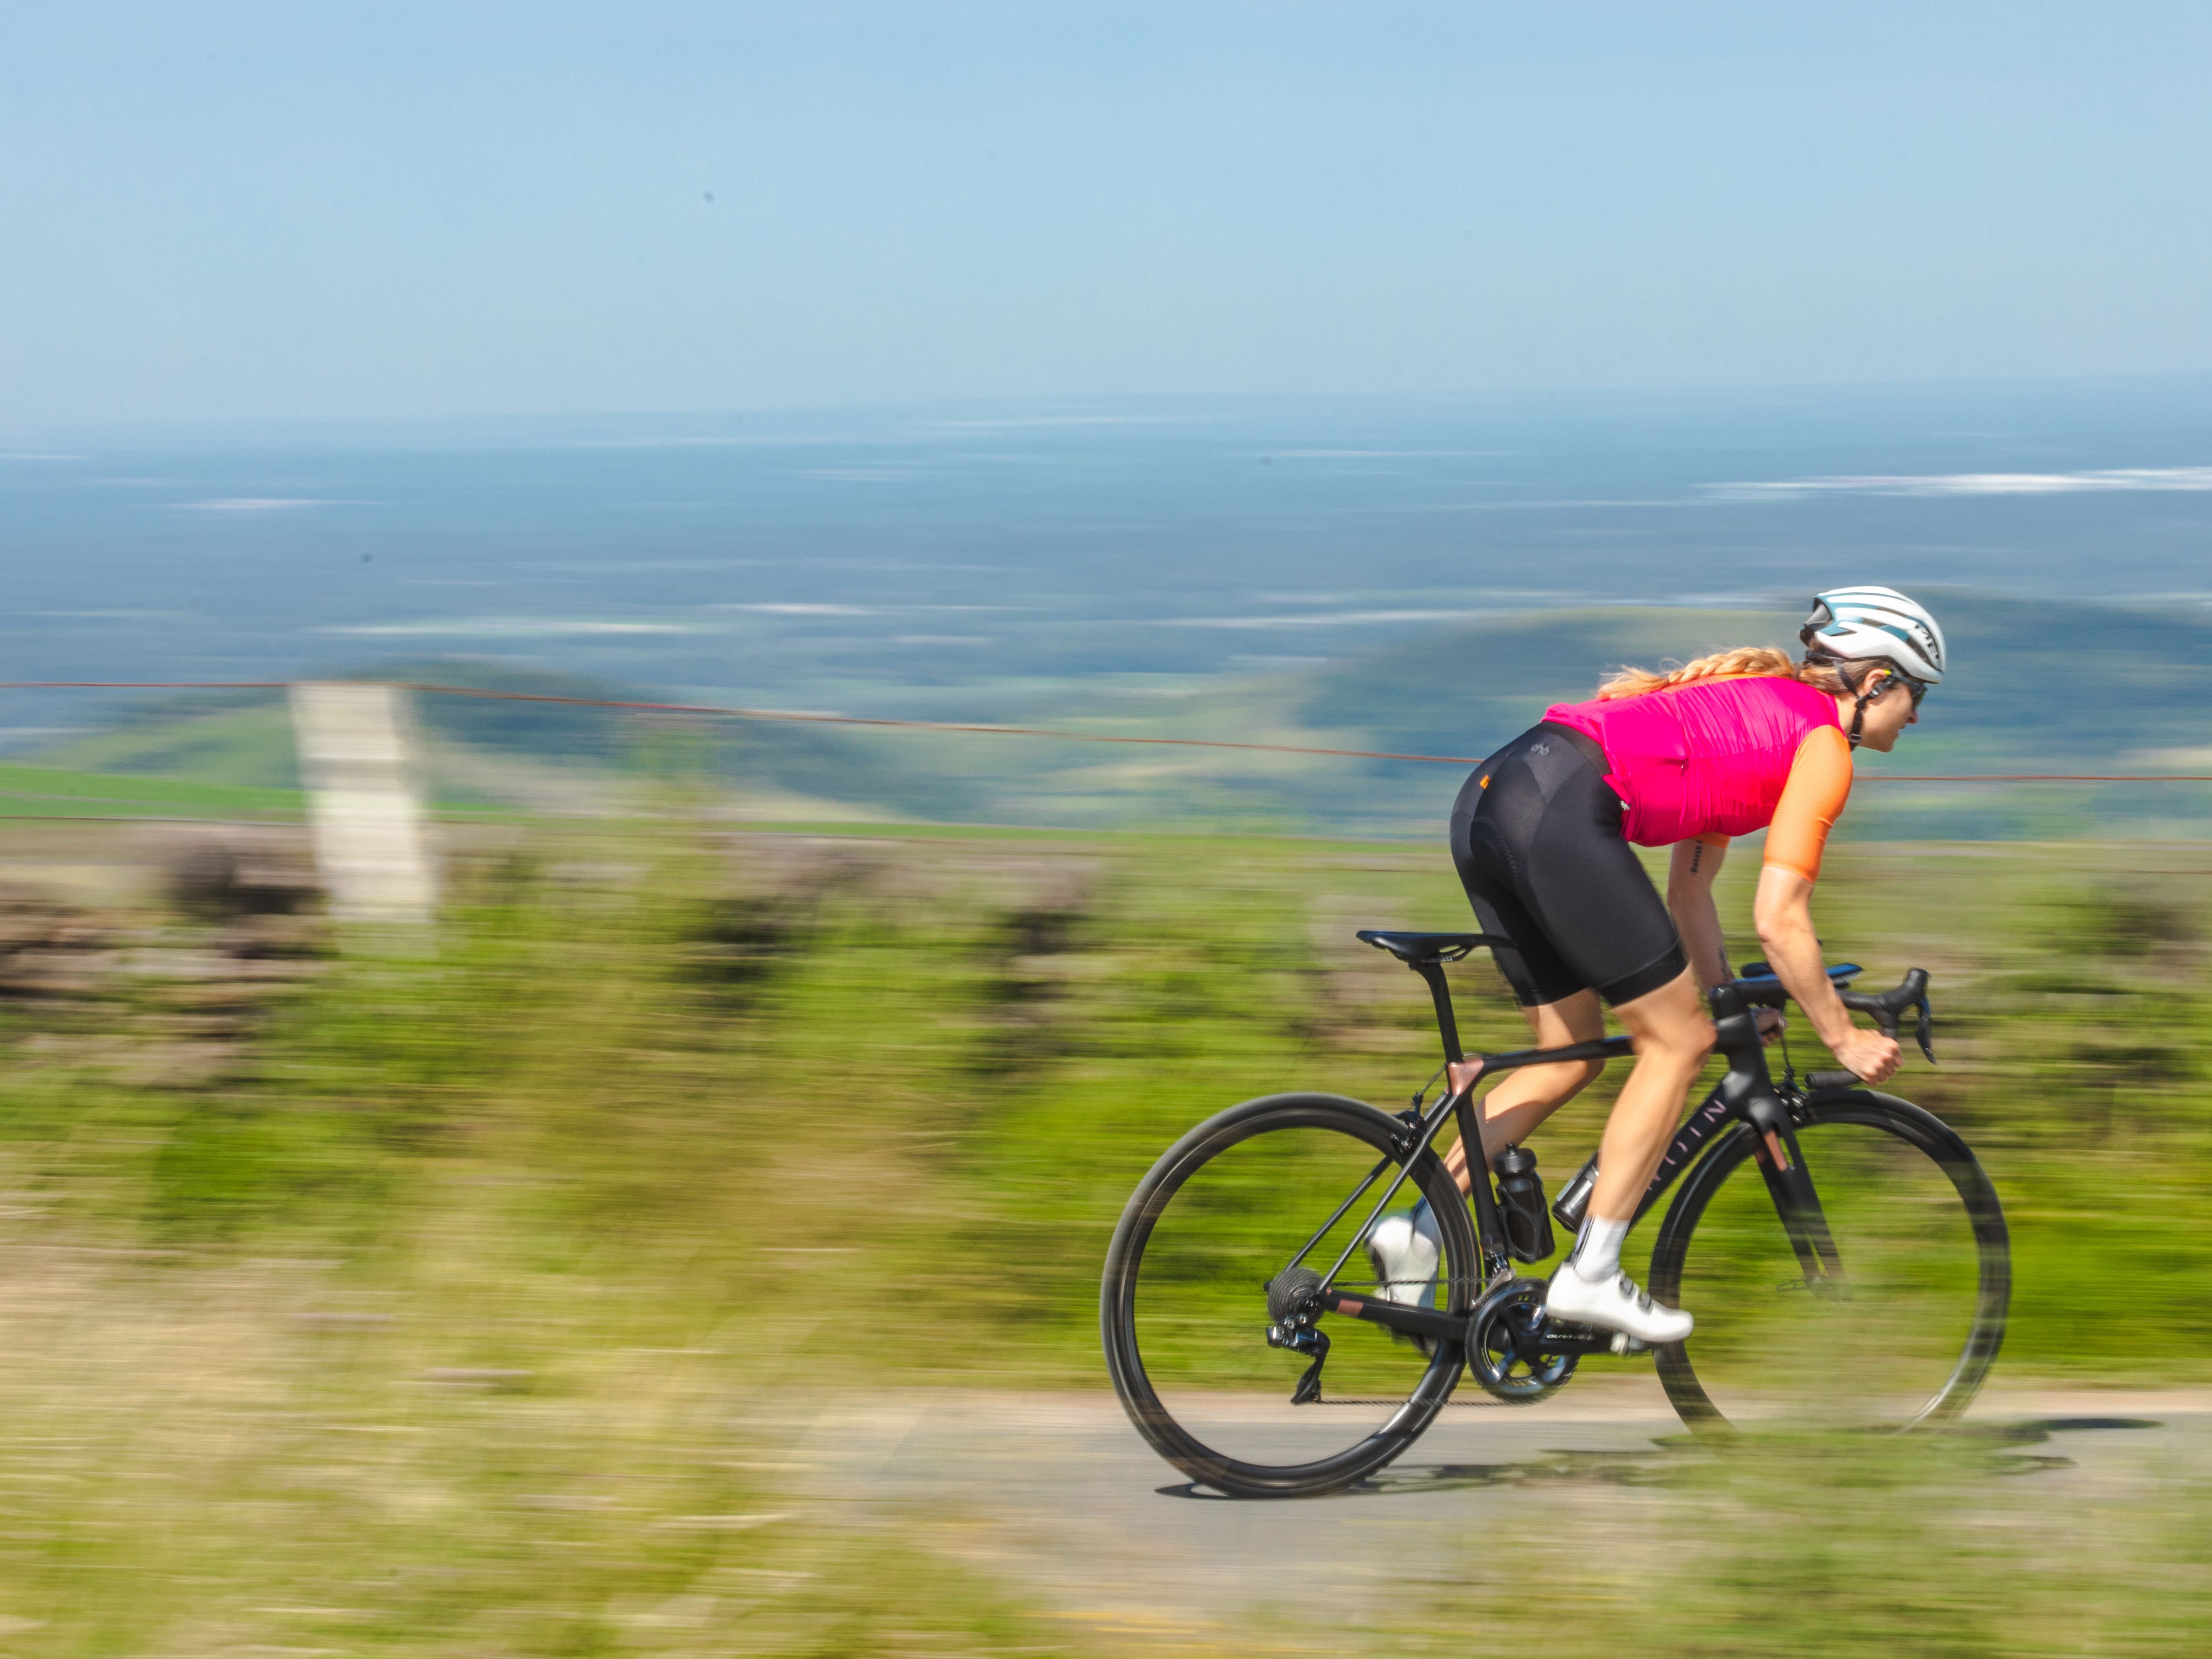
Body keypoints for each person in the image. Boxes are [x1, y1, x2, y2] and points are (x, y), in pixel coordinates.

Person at [1366, 586, 1945, 1344]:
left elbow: (1690, 892)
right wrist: (1843, 1037)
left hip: (1497, 795)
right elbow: (1780, 920)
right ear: (1876, 682)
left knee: (1570, 1053)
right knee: (1676, 1044)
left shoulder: (1760, 708)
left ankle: (1419, 1226)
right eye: (1916, 694)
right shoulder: (1824, 748)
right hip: (1559, 811)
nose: (1917, 715)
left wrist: (1724, 995)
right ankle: (1592, 1275)